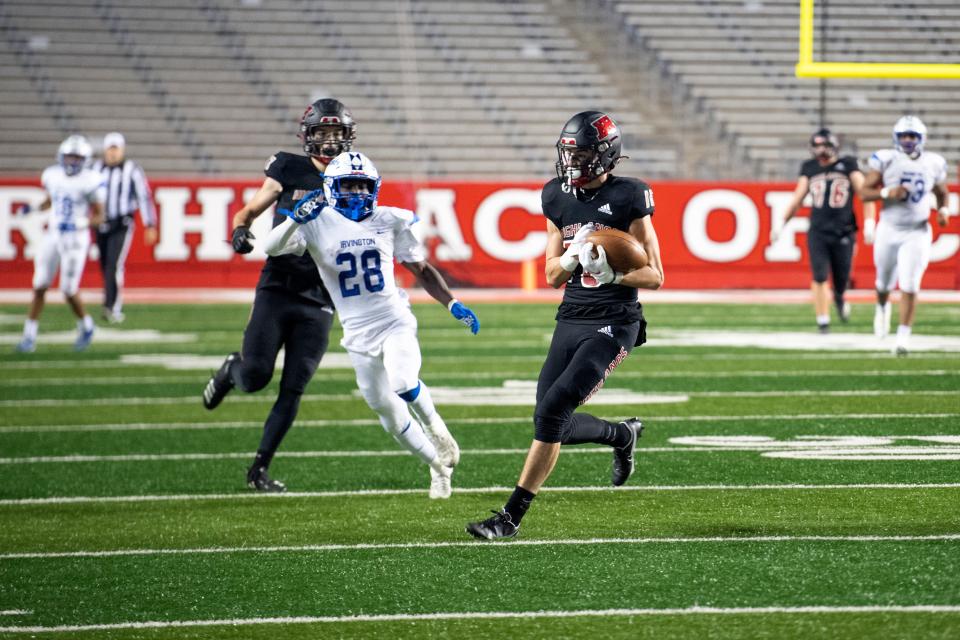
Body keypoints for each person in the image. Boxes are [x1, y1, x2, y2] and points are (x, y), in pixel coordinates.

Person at [466, 111, 664, 540]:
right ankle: (622, 434)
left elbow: (655, 275)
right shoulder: (556, 196)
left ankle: (510, 517)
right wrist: (572, 257)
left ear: (606, 154)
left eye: (584, 152)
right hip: (571, 316)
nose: (573, 161)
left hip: (615, 320)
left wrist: (615, 276)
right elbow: (552, 275)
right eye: (569, 152)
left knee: (554, 412)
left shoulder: (631, 195)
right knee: (548, 419)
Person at [262, 151, 479, 499]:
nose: (358, 193)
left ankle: (437, 429)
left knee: (404, 381)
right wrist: (293, 219)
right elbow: (270, 248)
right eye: (349, 185)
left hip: (394, 321)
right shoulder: (317, 221)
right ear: (332, 187)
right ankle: (437, 468)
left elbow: (420, 268)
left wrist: (451, 303)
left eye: (364, 186)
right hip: (357, 336)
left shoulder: (390, 219)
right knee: (390, 418)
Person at [201, 98, 356, 492]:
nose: (331, 142)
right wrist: (239, 230)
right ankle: (231, 370)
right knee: (254, 376)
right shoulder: (288, 167)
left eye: (337, 134)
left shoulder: (355, 174)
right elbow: (248, 211)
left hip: (321, 296)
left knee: (294, 388)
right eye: (323, 133)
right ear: (308, 136)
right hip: (279, 287)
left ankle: (258, 470)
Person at [860, 115, 950, 356]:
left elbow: (942, 191)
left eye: (912, 136)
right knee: (883, 283)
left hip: (917, 231)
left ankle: (903, 337)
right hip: (889, 228)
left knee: (910, 284)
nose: (908, 140)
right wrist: (888, 191)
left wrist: (943, 210)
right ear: (896, 138)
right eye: (904, 136)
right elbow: (863, 192)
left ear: (922, 138)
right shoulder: (886, 159)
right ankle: (882, 307)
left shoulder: (934, 162)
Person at [15, 135, 105, 353]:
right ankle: (29, 335)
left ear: (85, 159)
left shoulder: (91, 179)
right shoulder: (52, 175)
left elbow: (100, 215)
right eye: (69, 157)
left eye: (77, 157)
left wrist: (81, 222)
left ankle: (86, 325)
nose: (72, 161)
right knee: (40, 284)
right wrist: (33, 209)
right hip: (53, 234)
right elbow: (50, 201)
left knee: (68, 289)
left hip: (75, 239)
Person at [771, 128, 864, 333]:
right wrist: (781, 224)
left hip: (844, 231)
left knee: (841, 281)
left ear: (833, 147)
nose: (820, 150)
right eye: (817, 146)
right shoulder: (810, 167)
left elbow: (864, 193)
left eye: (824, 145)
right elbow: (798, 198)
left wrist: (872, 222)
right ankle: (823, 321)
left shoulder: (848, 165)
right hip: (818, 231)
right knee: (820, 276)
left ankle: (839, 299)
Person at [91, 132, 158, 323]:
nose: (112, 153)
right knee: (105, 265)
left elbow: (143, 197)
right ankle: (109, 304)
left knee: (113, 265)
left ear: (122, 150)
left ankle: (112, 306)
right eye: (110, 149)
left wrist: (150, 224)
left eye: (116, 149)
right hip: (101, 223)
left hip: (122, 223)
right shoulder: (95, 169)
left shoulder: (132, 169)